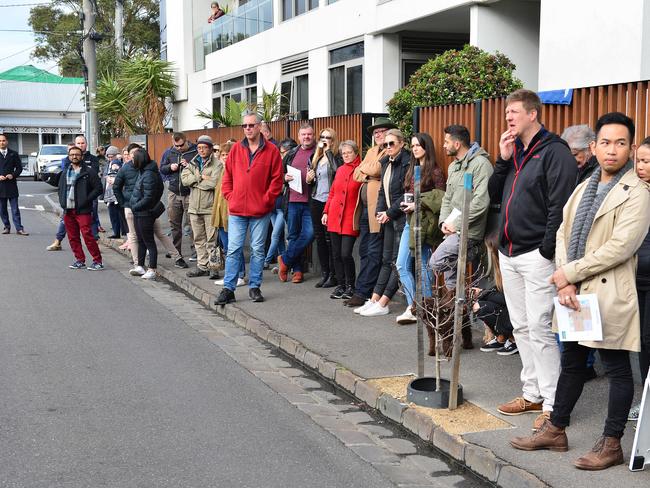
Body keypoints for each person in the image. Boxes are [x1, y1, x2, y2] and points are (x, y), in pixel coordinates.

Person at [510, 112, 650, 471]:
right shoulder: (584, 184)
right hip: (575, 292)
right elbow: (562, 231)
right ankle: (556, 429)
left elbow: (620, 247)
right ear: (594, 146)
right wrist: (566, 278)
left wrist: (567, 273)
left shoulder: (638, 193)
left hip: (607, 292)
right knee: (572, 361)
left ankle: (612, 442)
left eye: (621, 143)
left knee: (617, 367)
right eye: (605, 142)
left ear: (631, 149)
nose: (612, 150)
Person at [487, 89, 577, 427]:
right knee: (521, 326)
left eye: (514, 112)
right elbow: (493, 194)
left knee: (540, 328)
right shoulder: (516, 153)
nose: (508, 117)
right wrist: (502, 158)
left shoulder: (554, 152)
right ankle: (532, 393)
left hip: (536, 255)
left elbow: (560, 207)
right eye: (507, 112)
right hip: (509, 253)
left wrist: (546, 250)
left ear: (533, 114)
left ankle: (552, 406)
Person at [215, 111, 283, 305]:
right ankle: (229, 289)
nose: (248, 129)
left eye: (251, 125)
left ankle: (255, 286)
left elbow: (277, 180)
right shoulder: (236, 148)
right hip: (237, 209)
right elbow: (227, 175)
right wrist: (230, 195)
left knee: (257, 250)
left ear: (260, 126)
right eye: (244, 126)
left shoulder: (271, 151)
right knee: (233, 249)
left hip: (260, 211)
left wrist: (266, 201)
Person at [431, 125, 493, 290]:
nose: (444, 145)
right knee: (451, 283)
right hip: (451, 231)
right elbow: (447, 198)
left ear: (457, 144)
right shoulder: (453, 167)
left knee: (436, 263)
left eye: (446, 142)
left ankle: (468, 302)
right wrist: (444, 221)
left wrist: (456, 224)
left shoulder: (481, 165)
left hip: (470, 232)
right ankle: (458, 313)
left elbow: (481, 202)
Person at [358, 129, 410, 317]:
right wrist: (381, 212)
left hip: (401, 218)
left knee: (397, 262)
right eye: (385, 144)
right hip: (388, 217)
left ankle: (384, 301)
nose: (387, 147)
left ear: (402, 144)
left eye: (392, 144)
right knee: (385, 260)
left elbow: (406, 193)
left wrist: (389, 212)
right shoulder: (386, 162)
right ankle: (374, 299)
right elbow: (382, 191)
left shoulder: (407, 162)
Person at [394, 132, 445, 324]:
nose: (415, 148)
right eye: (413, 145)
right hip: (409, 220)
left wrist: (419, 204)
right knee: (402, 265)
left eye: (418, 145)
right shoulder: (412, 168)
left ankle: (425, 308)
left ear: (426, 147)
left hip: (424, 223)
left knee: (422, 265)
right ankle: (415, 305)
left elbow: (441, 197)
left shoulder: (435, 171)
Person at [344, 117, 393, 308]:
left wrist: (366, 170)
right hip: (364, 208)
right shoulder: (373, 150)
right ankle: (364, 290)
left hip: (378, 209)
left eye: (381, 131)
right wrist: (368, 171)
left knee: (373, 251)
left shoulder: (389, 150)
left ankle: (363, 292)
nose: (378, 135)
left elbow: (378, 169)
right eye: (375, 133)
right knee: (364, 250)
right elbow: (357, 173)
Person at [115, 144, 182, 268]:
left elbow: (158, 187)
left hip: (147, 208)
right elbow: (116, 187)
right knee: (134, 237)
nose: (136, 156)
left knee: (158, 233)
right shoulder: (125, 169)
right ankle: (138, 264)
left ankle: (176, 257)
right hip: (131, 207)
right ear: (129, 155)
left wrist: (152, 202)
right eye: (133, 154)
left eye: (138, 153)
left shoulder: (149, 170)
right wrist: (124, 203)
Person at [322, 141, 362, 299]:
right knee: (336, 254)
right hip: (333, 215)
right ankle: (341, 285)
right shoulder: (339, 170)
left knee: (346, 253)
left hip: (350, 217)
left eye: (349, 152)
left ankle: (351, 285)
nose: (346, 155)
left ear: (356, 152)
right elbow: (332, 193)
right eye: (343, 153)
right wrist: (325, 211)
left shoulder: (361, 169)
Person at [278, 123, 316, 284]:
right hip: (292, 200)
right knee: (293, 236)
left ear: (313, 136)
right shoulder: (292, 153)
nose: (306, 137)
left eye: (309, 134)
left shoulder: (318, 153)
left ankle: (285, 260)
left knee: (309, 234)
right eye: (303, 134)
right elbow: (279, 174)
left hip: (311, 202)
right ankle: (297, 270)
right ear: (299, 137)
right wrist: (284, 178)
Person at [629, 136, 650, 421]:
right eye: (640, 160)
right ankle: (645, 400)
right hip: (635, 278)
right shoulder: (635, 193)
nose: (641, 166)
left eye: (647, 162)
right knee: (642, 343)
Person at [306, 127, 343, 288]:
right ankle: (325, 273)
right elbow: (313, 181)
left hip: (331, 201)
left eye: (328, 137)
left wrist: (328, 151)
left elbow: (337, 171)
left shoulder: (336, 157)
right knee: (319, 239)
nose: (324, 139)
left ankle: (334, 275)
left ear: (333, 140)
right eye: (322, 137)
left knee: (330, 240)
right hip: (316, 200)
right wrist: (309, 179)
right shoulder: (316, 158)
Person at [57, 145, 104, 270]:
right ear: (68, 156)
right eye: (72, 155)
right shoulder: (65, 171)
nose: (74, 156)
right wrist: (62, 202)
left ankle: (97, 261)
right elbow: (60, 188)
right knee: (72, 237)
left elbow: (99, 188)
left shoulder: (88, 172)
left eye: (77, 154)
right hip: (68, 209)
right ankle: (79, 260)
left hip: (83, 210)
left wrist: (86, 199)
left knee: (87, 235)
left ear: (81, 156)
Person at [182, 135, 220, 279]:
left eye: (204, 147)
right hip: (194, 208)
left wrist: (195, 181)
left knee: (212, 240)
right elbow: (184, 180)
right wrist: (200, 177)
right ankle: (202, 266)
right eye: (199, 147)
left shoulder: (217, 164)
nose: (201, 150)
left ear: (210, 148)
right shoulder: (193, 162)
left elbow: (214, 183)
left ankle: (214, 267)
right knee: (198, 239)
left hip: (209, 207)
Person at [475, 233, 517, 355]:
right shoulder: (499, 269)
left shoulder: (509, 266)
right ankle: (501, 337)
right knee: (478, 304)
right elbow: (498, 290)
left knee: (483, 305)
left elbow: (508, 298)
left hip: (514, 307)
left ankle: (513, 339)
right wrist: (482, 293)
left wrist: (484, 293)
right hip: (507, 306)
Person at [212, 142, 246, 287]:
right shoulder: (221, 170)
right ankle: (231, 275)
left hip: (231, 213)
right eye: (223, 154)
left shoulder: (236, 170)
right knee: (227, 247)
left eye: (228, 154)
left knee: (234, 246)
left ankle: (239, 275)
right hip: (219, 213)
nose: (225, 157)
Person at [128, 148, 165, 280]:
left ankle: (152, 269)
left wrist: (135, 206)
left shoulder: (149, 174)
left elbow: (149, 196)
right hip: (139, 211)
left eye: (133, 158)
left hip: (145, 212)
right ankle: (140, 266)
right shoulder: (143, 172)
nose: (131, 160)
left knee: (149, 241)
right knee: (141, 240)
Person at [160, 132, 197, 262]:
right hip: (174, 192)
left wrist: (189, 166)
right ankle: (175, 251)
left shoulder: (195, 151)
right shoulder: (169, 152)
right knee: (174, 224)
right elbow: (162, 169)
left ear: (186, 141)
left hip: (190, 192)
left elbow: (200, 169)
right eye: (176, 146)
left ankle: (195, 251)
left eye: (181, 145)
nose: (179, 148)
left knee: (193, 223)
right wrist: (170, 168)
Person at [263, 139, 295, 269]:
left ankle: (266, 260)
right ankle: (283, 263)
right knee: (279, 237)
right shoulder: (276, 164)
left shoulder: (290, 165)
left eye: (284, 153)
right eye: (280, 153)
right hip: (272, 205)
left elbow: (280, 187)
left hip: (282, 206)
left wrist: (279, 183)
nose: (282, 156)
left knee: (277, 235)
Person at [46, 143, 76, 251]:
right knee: (65, 220)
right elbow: (64, 178)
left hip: (84, 199)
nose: (74, 155)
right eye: (70, 152)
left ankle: (94, 244)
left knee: (90, 222)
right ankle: (58, 241)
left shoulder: (90, 160)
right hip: (69, 198)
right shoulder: (66, 161)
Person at [74, 134, 103, 237]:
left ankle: (95, 238)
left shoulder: (93, 159)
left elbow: (93, 174)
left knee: (92, 214)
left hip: (90, 192)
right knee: (69, 218)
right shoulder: (71, 158)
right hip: (74, 194)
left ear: (86, 144)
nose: (81, 145)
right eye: (78, 143)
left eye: (82, 143)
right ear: (75, 144)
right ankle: (59, 239)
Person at [0, 133, 28, 236]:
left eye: (3, 140)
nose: (2, 142)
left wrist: (13, 175)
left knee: (15, 209)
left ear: (7, 142)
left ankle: (19, 228)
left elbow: (19, 168)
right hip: (0, 186)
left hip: (11, 185)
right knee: (2, 210)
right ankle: (6, 227)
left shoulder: (13, 154)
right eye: (0, 141)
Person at [102, 146, 127, 239]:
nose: (110, 158)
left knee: (120, 213)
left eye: (111, 156)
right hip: (109, 192)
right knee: (113, 213)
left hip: (118, 192)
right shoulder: (107, 164)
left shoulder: (118, 163)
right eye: (108, 156)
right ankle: (116, 232)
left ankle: (123, 232)